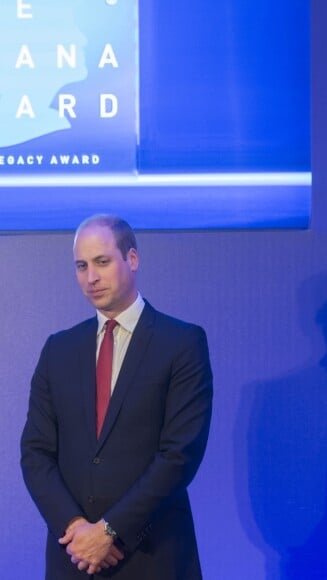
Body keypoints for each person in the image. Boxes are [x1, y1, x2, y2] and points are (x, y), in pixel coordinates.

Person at [20, 215, 213, 579]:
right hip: (74, 558)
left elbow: (179, 454)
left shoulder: (181, 343)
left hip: (153, 556)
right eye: (81, 266)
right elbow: (36, 452)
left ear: (133, 259)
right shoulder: (58, 349)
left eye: (102, 262)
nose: (90, 277)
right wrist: (77, 528)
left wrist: (110, 532)